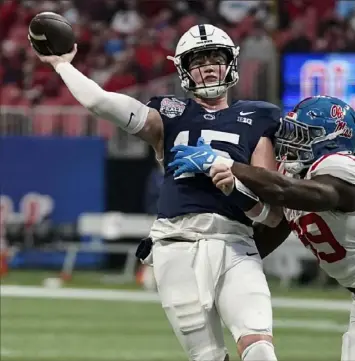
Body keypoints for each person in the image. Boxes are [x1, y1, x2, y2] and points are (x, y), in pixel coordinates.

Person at [31, 24, 282, 361]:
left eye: (215, 57)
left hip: (235, 243)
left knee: (260, 350)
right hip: (174, 246)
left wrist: (233, 184)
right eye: (198, 60)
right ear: (183, 69)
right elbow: (100, 103)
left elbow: (271, 212)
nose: (207, 66)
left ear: (231, 62)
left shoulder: (260, 117)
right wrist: (62, 64)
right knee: (208, 357)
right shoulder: (168, 113)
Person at [169, 95, 355, 361]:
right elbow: (258, 244)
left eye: (301, 135)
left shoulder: (340, 171)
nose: (289, 142)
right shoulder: (295, 179)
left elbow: (292, 192)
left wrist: (226, 163)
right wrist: (193, 250)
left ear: (330, 141)